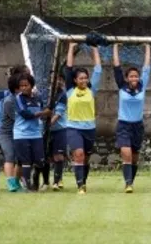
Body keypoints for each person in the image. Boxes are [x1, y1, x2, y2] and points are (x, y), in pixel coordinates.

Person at [113, 43, 151, 193]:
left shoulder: (142, 85)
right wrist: (115, 47)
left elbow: (147, 67)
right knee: (126, 154)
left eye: (136, 76)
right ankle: (128, 183)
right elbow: (116, 67)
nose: (134, 78)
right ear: (127, 78)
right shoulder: (122, 86)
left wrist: (147, 48)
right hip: (124, 126)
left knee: (134, 157)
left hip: (138, 126)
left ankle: (131, 181)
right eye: (131, 76)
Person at [65, 42, 102, 195]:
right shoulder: (69, 90)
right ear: (75, 80)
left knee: (85, 157)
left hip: (89, 128)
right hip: (73, 128)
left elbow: (98, 70)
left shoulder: (91, 90)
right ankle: (80, 186)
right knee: (78, 154)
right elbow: (68, 69)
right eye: (80, 78)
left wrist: (95, 49)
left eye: (85, 78)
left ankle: (83, 181)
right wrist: (71, 48)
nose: (84, 81)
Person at [13, 74, 51, 191]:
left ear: (31, 85)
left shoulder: (37, 99)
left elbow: (44, 113)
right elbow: (26, 114)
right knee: (26, 161)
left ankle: (35, 177)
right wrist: (43, 113)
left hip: (36, 134)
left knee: (40, 161)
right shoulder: (19, 98)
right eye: (21, 86)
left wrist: (48, 114)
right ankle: (27, 184)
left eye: (26, 85)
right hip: (21, 134)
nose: (24, 88)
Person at [0, 65, 31, 192]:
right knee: (10, 155)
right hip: (7, 133)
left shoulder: (26, 98)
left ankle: (18, 182)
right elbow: (18, 118)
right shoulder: (9, 100)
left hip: (20, 132)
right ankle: (11, 183)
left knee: (21, 158)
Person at [48, 74, 68, 191]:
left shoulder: (62, 95)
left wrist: (48, 124)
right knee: (46, 158)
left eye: (60, 79)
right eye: (55, 79)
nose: (57, 81)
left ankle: (57, 181)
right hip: (45, 131)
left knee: (58, 157)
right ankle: (45, 181)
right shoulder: (44, 93)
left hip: (59, 130)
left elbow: (58, 114)